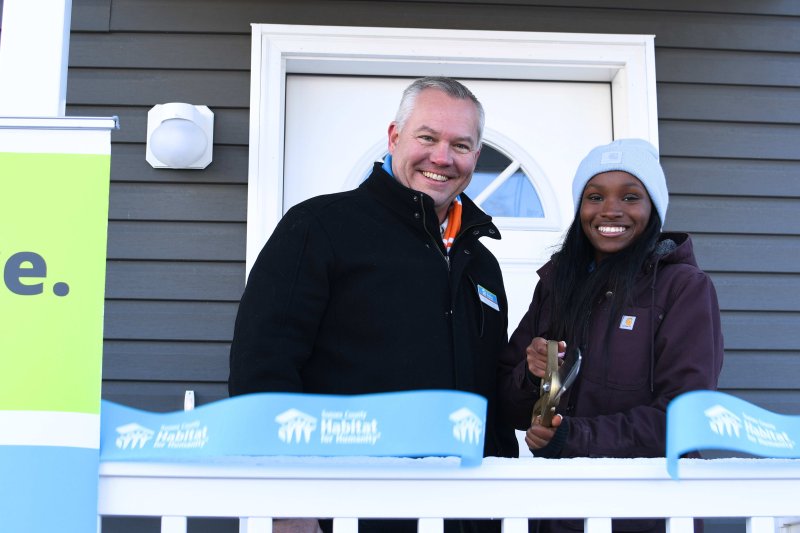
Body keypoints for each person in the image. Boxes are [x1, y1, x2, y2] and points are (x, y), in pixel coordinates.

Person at [229, 77, 518, 533]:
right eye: (427, 137)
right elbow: (262, 367)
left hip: (465, 513)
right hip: (346, 510)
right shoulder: (319, 228)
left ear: (476, 158)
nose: (442, 157)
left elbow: (491, 403)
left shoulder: (482, 265)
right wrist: (284, 503)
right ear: (394, 137)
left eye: (460, 144)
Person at [499, 138, 724, 533]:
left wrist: (574, 437)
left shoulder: (683, 288)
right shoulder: (556, 284)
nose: (610, 210)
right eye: (595, 196)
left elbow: (686, 417)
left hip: (650, 515)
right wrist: (532, 374)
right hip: (558, 512)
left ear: (653, 208)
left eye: (631, 196)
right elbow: (509, 408)